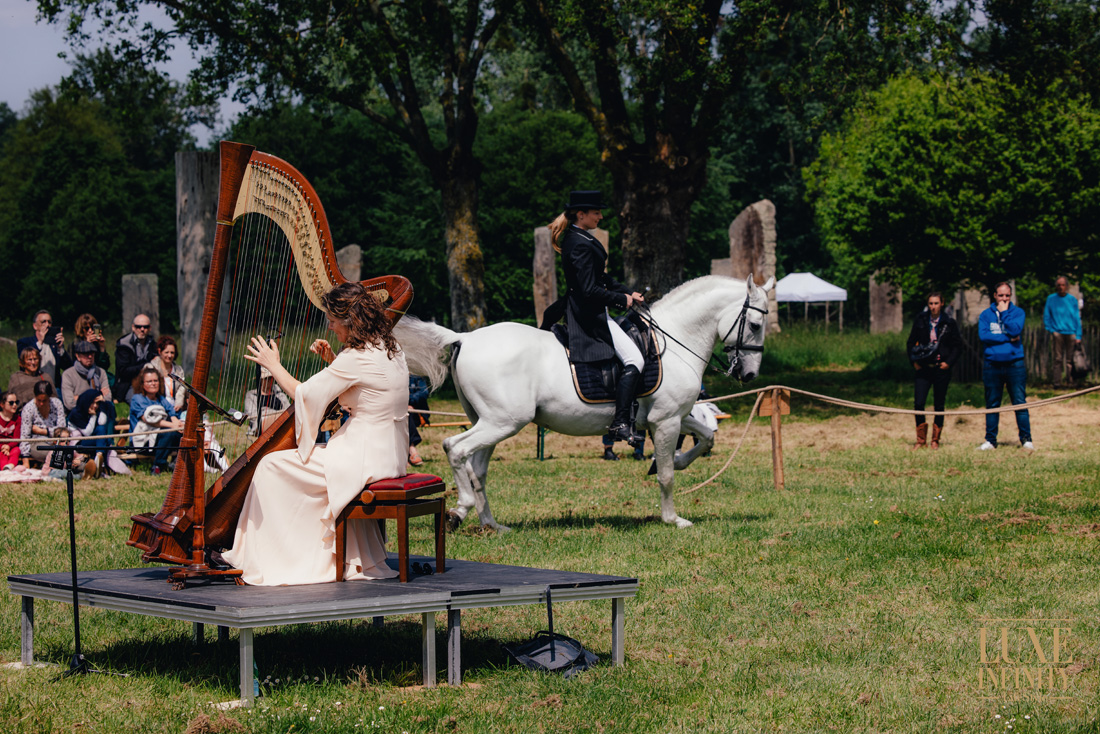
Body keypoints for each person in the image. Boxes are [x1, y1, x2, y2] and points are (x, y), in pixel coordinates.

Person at [218, 282, 406, 586]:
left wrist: (273, 365)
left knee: (270, 466)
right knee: (291, 467)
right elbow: (367, 388)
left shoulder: (354, 358)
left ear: (348, 320)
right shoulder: (387, 348)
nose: (329, 327)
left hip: (362, 457)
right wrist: (333, 361)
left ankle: (272, 558)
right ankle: (327, 554)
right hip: (390, 454)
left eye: (332, 320)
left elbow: (304, 395)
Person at [547, 190, 645, 445]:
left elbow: (601, 278)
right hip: (587, 316)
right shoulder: (577, 243)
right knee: (635, 359)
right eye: (596, 213)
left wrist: (627, 291)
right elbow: (587, 290)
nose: (601, 217)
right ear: (581, 215)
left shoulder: (580, 238)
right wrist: (621, 300)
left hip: (595, 310)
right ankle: (621, 422)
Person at [978, 282, 1033, 451]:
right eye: (1001, 295)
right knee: (992, 403)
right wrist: (1007, 338)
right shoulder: (986, 315)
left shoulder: (1018, 313)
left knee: (1019, 402)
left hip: (1014, 364)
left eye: (1007, 296)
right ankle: (990, 440)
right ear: (995, 295)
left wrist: (1004, 314)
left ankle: (1026, 440)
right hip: (992, 364)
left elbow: (1015, 330)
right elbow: (984, 336)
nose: (1004, 299)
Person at [905, 292, 962, 449]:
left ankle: (935, 439)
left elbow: (958, 346)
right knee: (919, 403)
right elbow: (910, 343)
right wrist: (914, 362)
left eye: (936, 303)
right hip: (923, 368)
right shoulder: (921, 319)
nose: (933, 307)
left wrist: (948, 363)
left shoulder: (949, 323)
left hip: (941, 369)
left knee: (939, 404)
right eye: (931, 303)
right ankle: (920, 439)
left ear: (942, 303)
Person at [129, 366, 184, 475]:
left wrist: (178, 424)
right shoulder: (137, 399)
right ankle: (158, 465)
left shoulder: (161, 399)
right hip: (143, 442)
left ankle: (178, 462)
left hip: (159, 441)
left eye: (155, 380)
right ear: (142, 384)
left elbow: (171, 412)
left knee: (181, 433)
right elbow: (149, 419)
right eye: (149, 381)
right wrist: (173, 426)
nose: (153, 383)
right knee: (169, 432)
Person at [66, 388, 130, 479]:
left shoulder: (97, 410)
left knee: (101, 429)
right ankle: (101, 463)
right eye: (92, 402)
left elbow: (102, 422)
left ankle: (99, 456)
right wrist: (93, 416)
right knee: (105, 441)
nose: (95, 406)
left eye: (97, 403)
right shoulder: (76, 413)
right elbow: (87, 433)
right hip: (79, 443)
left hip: (94, 441)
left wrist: (103, 404)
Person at [1043, 276, 1082, 389]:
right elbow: (1046, 316)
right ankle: (1057, 383)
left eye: (1063, 285)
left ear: (1067, 286)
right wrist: (1051, 330)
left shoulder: (1072, 300)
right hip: (1057, 332)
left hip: (1071, 332)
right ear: (1056, 286)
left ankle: (1070, 382)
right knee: (1057, 359)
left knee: (1070, 360)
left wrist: (1078, 334)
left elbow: (1076, 318)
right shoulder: (1051, 299)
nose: (1061, 287)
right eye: (1059, 285)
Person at [19, 381, 69, 467]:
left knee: (68, 451)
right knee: (54, 454)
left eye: (44, 401)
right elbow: (25, 435)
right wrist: (25, 460)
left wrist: (44, 431)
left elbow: (62, 429)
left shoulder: (57, 404)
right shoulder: (28, 409)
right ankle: (79, 466)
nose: (41, 404)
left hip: (57, 442)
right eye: (39, 400)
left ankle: (83, 467)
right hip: (37, 443)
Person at [16, 310, 72, 385]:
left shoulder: (55, 345)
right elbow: (23, 361)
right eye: (43, 322)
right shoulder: (24, 342)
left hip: (54, 387)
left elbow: (68, 367)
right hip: (31, 386)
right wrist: (40, 342)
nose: (47, 325)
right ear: (35, 326)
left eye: (49, 322)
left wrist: (60, 348)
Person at [113, 314, 156, 402]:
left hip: (150, 381)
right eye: (138, 327)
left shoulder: (152, 343)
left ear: (150, 328)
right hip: (128, 384)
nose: (142, 329)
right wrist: (145, 365)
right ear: (133, 327)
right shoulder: (124, 344)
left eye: (145, 327)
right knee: (140, 402)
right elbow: (123, 371)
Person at [61, 340, 112, 410]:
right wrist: (98, 396)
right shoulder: (68, 374)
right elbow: (69, 403)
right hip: (78, 412)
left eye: (92, 353)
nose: (90, 356)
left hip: (99, 410)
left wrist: (79, 398)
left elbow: (108, 398)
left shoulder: (100, 372)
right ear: (78, 356)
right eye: (86, 354)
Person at [243, 366, 291, 437]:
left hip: (282, 423)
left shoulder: (279, 394)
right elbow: (252, 415)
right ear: (260, 380)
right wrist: (272, 415)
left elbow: (289, 409)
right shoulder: (251, 395)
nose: (269, 381)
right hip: (262, 426)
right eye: (266, 379)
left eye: (271, 378)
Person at [149, 336, 187, 413]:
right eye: (166, 352)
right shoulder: (151, 367)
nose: (169, 356)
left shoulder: (178, 370)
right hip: (158, 406)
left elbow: (181, 389)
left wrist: (179, 403)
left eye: (172, 352)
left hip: (176, 407)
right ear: (160, 351)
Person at [407, 374, 430, 466]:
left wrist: (409, 401)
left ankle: (412, 450)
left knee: (407, 414)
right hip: (398, 413)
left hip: (418, 414)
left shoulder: (417, 377)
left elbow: (424, 393)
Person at [0, 391, 21, 470]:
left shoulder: (17, 419)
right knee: (2, 454)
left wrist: (8, 446)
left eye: (16, 402)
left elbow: (16, 438)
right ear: (2, 404)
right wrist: (3, 447)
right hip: (1, 447)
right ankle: (4, 470)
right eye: (11, 403)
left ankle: (10, 466)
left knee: (16, 450)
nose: (15, 405)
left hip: (11, 446)